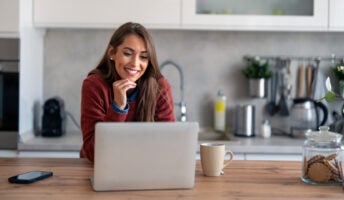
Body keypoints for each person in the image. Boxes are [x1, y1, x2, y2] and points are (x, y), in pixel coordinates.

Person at [80, 22, 175, 162]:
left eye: (143, 57)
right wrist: (118, 108)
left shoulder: (160, 87)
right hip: (101, 168)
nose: (135, 63)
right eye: (128, 53)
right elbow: (93, 152)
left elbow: (170, 145)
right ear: (112, 53)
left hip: (145, 167)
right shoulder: (94, 85)